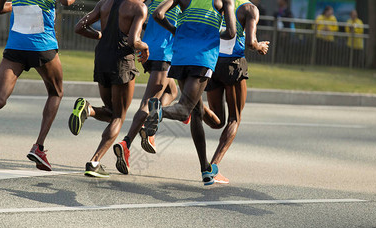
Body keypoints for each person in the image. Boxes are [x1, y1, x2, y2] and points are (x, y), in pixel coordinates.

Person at [0, 0, 75, 183]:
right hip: (42, 45)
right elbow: (68, 2)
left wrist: (21, 5)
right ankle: (39, 147)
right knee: (56, 93)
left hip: (16, 46)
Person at [144, 0, 236, 185]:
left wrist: (175, 30)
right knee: (185, 109)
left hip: (180, 55)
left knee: (196, 112)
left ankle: (205, 169)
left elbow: (157, 14)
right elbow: (231, 33)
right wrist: (212, 34)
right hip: (202, 58)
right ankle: (159, 111)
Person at [72, 0, 149, 178]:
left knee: (110, 111)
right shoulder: (138, 7)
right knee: (118, 117)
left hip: (101, 58)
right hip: (122, 61)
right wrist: (145, 47)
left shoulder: (104, 3)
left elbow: (79, 27)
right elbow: (134, 40)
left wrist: (101, 36)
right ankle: (94, 162)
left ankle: (88, 110)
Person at [202, 0, 269, 184]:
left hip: (212, 62)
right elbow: (250, 42)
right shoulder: (249, 9)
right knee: (234, 119)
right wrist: (260, 46)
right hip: (233, 65)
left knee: (216, 120)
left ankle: (195, 106)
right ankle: (212, 168)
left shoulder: (217, 2)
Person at [112, 0, 181, 175]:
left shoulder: (154, 2)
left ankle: (151, 125)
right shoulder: (180, 3)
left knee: (172, 91)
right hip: (163, 54)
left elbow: (145, 24)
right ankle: (126, 143)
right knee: (148, 101)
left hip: (149, 52)